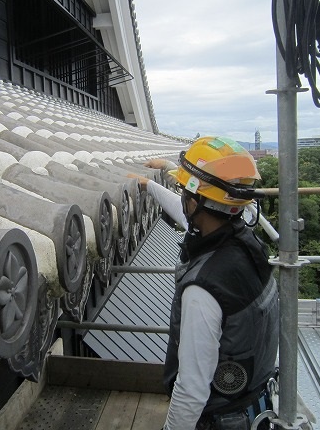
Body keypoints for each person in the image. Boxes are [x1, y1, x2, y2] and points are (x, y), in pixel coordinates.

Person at [132, 136, 279, 430]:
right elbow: (197, 211)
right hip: (254, 402)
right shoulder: (245, 242)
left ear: (196, 200)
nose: (182, 195)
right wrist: (151, 185)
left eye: (184, 190)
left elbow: (191, 389)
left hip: (221, 418)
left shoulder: (204, 288)